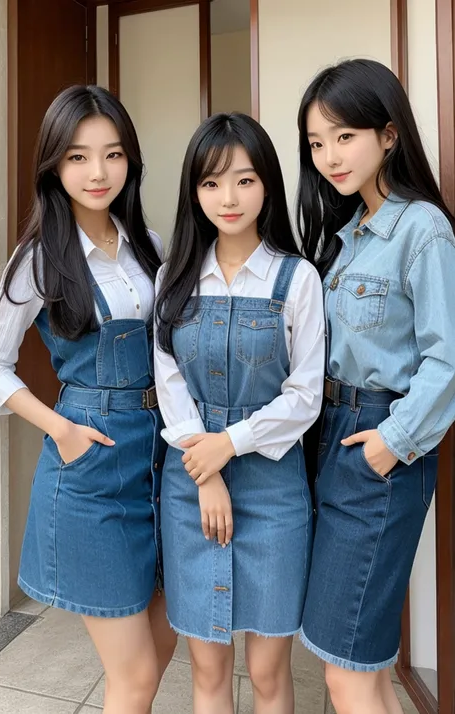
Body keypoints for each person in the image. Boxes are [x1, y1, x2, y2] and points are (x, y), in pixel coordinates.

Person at [0, 85, 176, 714]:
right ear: (54, 166)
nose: (98, 172)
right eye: (77, 157)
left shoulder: (149, 243)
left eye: (113, 154)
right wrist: (59, 429)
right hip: (91, 464)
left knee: (163, 643)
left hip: (162, 459)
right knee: (137, 675)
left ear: (131, 162)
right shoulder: (39, 257)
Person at [296, 58, 455, 714]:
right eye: (315, 143)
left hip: (378, 444)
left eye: (344, 136)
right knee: (358, 664)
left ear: (389, 135)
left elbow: (447, 361)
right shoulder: (350, 235)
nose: (329, 156)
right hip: (334, 437)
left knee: (347, 671)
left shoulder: (421, 229)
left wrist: (392, 442)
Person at [154, 112, 325, 714]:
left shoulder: (297, 278)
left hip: (274, 487)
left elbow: (306, 396)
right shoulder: (172, 278)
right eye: (210, 183)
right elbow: (168, 381)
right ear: (193, 192)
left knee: (270, 672)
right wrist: (207, 471)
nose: (228, 198)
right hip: (192, 484)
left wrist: (228, 446)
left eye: (245, 180)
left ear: (268, 186)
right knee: (206, 667)